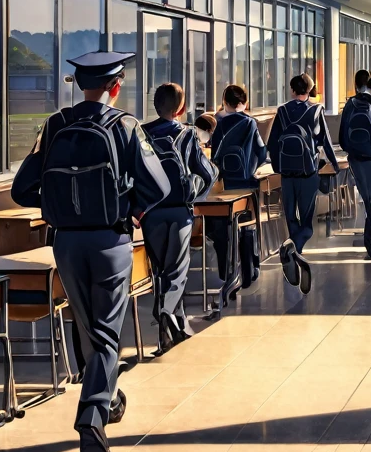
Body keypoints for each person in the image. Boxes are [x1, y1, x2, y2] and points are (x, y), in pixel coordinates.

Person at [11, 51, 170, 452]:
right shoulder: (126, 126)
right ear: (116, 87)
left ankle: (108, 399)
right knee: (105, 333)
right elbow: (160, 186)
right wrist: (132, 208)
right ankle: (93, 415)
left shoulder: (55, 125)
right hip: (110, 240)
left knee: (88, 326)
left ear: (81, 85)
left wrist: (58, 206)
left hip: (64, 243)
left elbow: (21, 189)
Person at [141, 83, 218, 353]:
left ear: (155, 105)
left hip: (151, 212)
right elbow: (208, 173)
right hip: (179, 210)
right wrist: (197, 197)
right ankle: (165, 311)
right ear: (182, 109)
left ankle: (177, 326)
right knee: (177, 268)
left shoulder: (142, 135)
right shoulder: (186, 135)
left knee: (160, 269)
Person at [268, 72, 338, 293]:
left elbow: (271, 143)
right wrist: (334, 165)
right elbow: (325, 140)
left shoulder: (282, 111)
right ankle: (293, 249)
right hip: (309, 172)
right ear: (310, 90)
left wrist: (278, 168)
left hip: (287, 174)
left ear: (291, 90)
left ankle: (292, 251)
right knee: (307, 222)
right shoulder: (316, 110)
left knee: (291, 217)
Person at [207, 84, 267, 300]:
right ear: (245, 102)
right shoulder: (250, 123)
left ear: (225, 102)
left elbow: (214, 155)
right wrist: (251, 167)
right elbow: (261, 152)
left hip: (225, 185)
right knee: (246, 226)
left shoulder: (220, 125)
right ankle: (249, 271)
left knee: (224, 230)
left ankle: (227, 273)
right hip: (246, 183)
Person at [340, 69, 371, 260]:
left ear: (355, 84)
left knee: (367, 198)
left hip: (356, 158)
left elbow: (343, 135)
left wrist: (351, 151)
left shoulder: (350, 104)